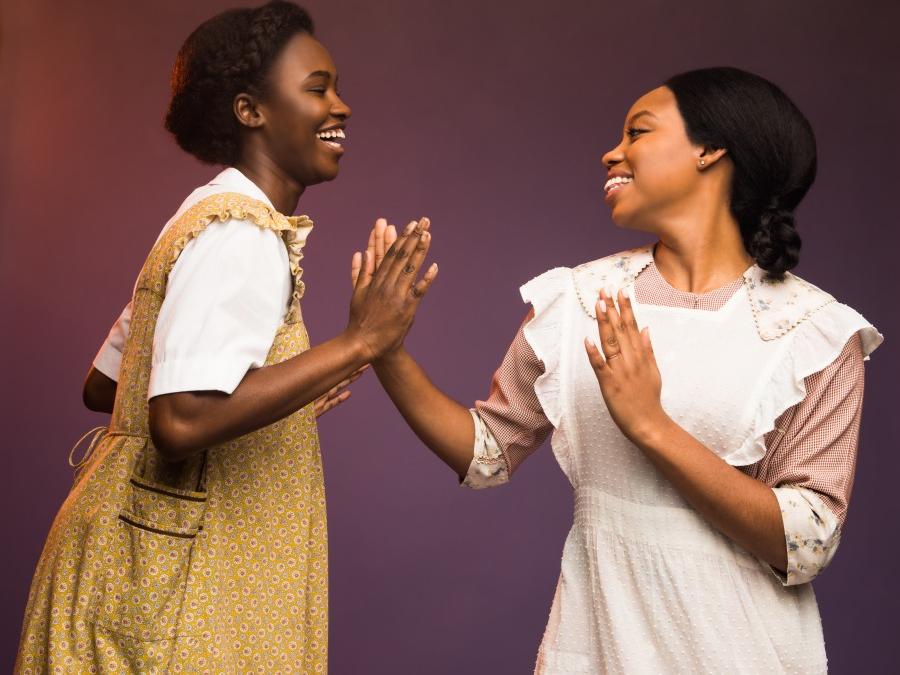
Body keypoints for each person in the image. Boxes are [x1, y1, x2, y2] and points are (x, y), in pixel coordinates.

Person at [369, 67, 882, 673]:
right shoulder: (579, 300)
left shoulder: (810, 331)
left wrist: (651, 426)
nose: (611, 152)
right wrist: (383, 351)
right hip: (595, 651)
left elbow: (807, 542)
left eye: (637, 132)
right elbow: (487, 454)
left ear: (710, 150)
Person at [15, 2, 436, 672]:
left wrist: (276, 402)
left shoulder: (204, 215)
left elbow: (107, 385)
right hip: (155, 593)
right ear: (250, 110)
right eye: (318, 88)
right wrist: (359, 343)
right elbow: (179, 419)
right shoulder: (240, 232)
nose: (342, 106)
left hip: (118, 568)